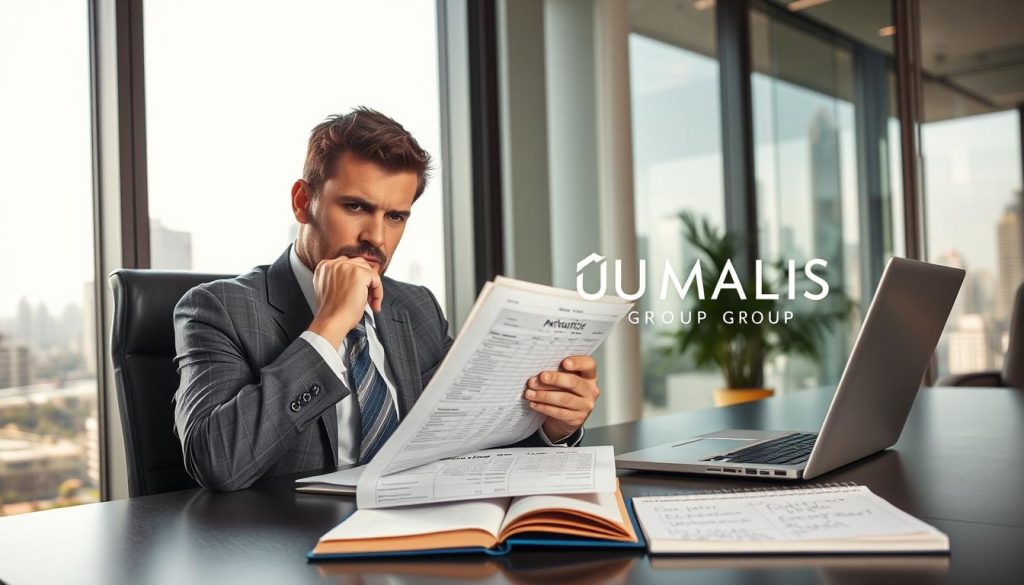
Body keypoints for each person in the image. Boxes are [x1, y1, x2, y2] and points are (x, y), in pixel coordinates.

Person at [172, 107, 602, 491]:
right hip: (291, 547)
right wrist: (328, 327)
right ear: (304, 203)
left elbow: (468, 433)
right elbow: (218, 463)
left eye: (395, 216)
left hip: (416, 528)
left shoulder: (416, 308)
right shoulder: (218, 308)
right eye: (356, 207)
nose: (376, 237)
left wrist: (554, 424)